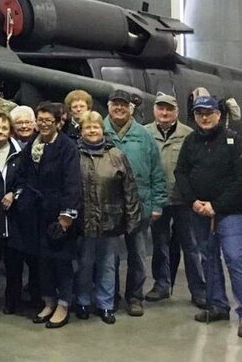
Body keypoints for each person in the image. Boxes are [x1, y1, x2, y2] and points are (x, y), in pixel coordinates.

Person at [176, 95, 242, 338]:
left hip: (230, 213)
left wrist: (217, 206)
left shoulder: (234, 141)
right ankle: (218, 306)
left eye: (209, 113)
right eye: (200, 113)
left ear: (218, 115)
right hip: (200, 211)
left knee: (234, 257)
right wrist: (193, 201)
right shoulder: (191, 141)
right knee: (208, 259)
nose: (204, 117)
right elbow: (181, 172)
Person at [102, 89, 167, 317]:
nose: (119, 108)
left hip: (139, 204)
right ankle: (110, 297)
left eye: (123, 104)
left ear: (131, 108)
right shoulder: (99, 131)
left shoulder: (143, 135)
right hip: (109, 205)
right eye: (115, 104)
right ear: (109, 106)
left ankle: (134, 297)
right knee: (109, 256)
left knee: (137, 255)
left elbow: (156, 170)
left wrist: (158, 204)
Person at [74, 111, 142, 325]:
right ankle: (83, 301)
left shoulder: (116, 155)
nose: (92, 131)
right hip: (82, 220)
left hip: (110, 220)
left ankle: (105, 304)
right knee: (84, 263)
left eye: (95, 127)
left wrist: (132, 219)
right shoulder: (74, 155)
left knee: (108, 264)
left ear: (102, 130)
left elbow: (129, 188)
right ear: (81, 131)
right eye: (88, 127)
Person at [21, 102, 81, 328]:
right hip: (37, 213)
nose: (44, 124)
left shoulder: (67, 147)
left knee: (61, 262)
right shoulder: (33, 144)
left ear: (58, 123)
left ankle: (63, 305)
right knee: (43, 262)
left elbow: (72, 182)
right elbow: (24, 173)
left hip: (59, 214)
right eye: (40, 120)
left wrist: (67, 216)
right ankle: (48, 302)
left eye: (48, 120)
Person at [144, 93, 206, 307]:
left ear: (177, 112)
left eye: (169, 109)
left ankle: (198, 289)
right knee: (159, 244)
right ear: (154, 110)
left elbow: (197, 167)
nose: (164, 113)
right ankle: (161, 285)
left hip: (184, 200)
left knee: (190, 246)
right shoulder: (145, 133)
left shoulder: (188, 134)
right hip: (158, 199)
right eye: (160, 108)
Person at [0, 113, 31, 316]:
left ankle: (13, 300)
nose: (0, 131)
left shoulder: (20, 154)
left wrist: (14, 194)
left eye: (4, 128)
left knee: (14, 263)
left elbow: (25, 181)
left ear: (10, 131)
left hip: (14, 217)